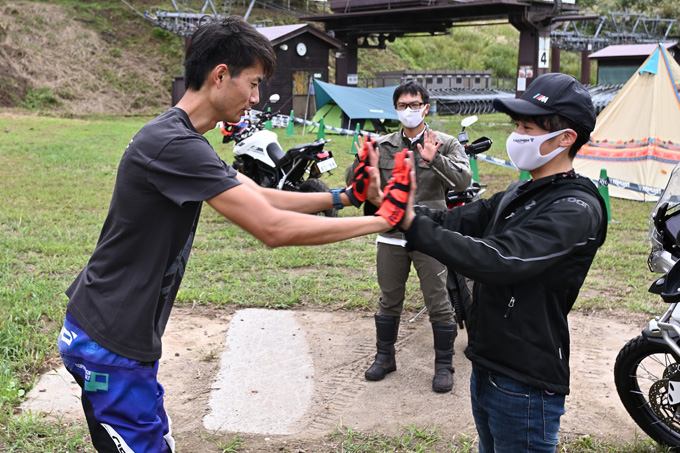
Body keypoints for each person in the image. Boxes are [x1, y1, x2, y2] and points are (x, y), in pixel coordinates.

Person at [56, 16, 413, 453]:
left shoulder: (180, 138)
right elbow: (272, 228)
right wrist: (384, 220)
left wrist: (345, 196)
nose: (256, 98)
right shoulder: (175, 145)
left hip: (107, 330)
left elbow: (263, 196)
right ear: (220, 75)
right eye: (254, 83)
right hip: (112, 343)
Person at [400, 73, 608, 451]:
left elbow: (499, 259)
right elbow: (456, 220)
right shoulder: (521, 190)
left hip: (525, 381)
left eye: (527, 127)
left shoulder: (575, 208)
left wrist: (412, 225)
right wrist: (394, 208)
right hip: (489, 362)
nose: (517, 135)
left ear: (565, 138)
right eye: (516, 125)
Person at [346, 81, 471, 393]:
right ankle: (384, 356)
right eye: (403, 106)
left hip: (430, 233)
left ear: (426, 107)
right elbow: (355, 183)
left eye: (415, 105)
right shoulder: (383, 145)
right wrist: (361, 164)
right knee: (389, 299)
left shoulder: (445, 142)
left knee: (439, 301)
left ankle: (444, 366)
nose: (409, 111)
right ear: (396, 109)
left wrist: (434, 159)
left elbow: (463, 181)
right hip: (390, 232)